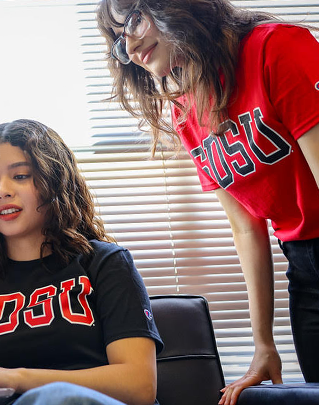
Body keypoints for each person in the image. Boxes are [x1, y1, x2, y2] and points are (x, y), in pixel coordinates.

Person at [95, 1, 319, 404]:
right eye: (118, 40)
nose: (128, 46)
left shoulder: (276, 47)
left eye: (133, 20)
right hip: (304, 266)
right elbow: (244, 225)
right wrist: (262, 343)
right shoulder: (184, 108)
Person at [0, 119, 163, 405]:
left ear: (54, 182)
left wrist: (13, 378)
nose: (2, 191)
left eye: (20, 176)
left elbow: (139, 386)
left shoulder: (105, 264)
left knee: (59, 397)